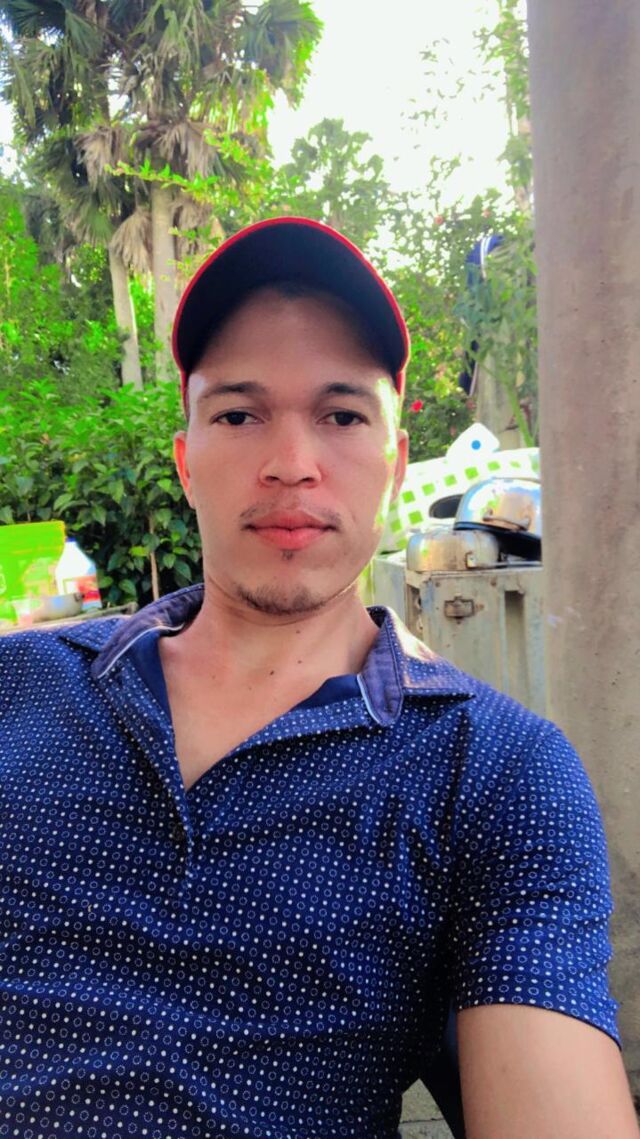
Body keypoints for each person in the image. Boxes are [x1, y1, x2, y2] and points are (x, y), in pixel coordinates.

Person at [0, 217, 637, 1139]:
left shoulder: (496, 772)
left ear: (395, 464)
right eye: (238, 414)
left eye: (341, 415)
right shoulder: (21, 686)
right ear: (186, 460)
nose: (291, 465)